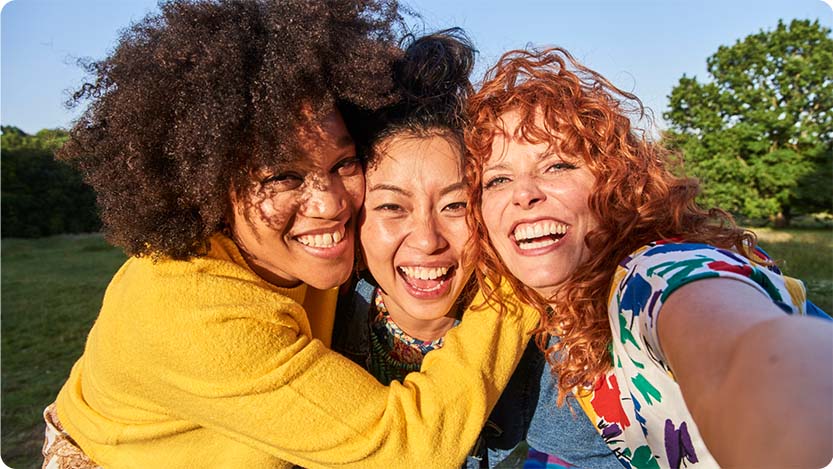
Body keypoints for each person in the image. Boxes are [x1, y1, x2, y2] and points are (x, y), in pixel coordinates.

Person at [42, 2, 539, 467]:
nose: (331, 204)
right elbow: (407, 446)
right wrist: (521, 284)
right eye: (283, 176)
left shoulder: (296, 247)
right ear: (210, 185)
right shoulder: (191, 314)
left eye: (344, 163)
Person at [465, 47, 833, 468]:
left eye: (558, 166)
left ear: (616, 184)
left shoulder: (648, 274)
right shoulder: (541, 313)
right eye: (498, 178)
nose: (524, 193)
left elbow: (733, 339)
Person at [333, 32, 620, 469]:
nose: (428, 240)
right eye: (392, 206)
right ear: (353, 217)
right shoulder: (316, 322)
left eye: (455, 205)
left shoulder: (546, 343)